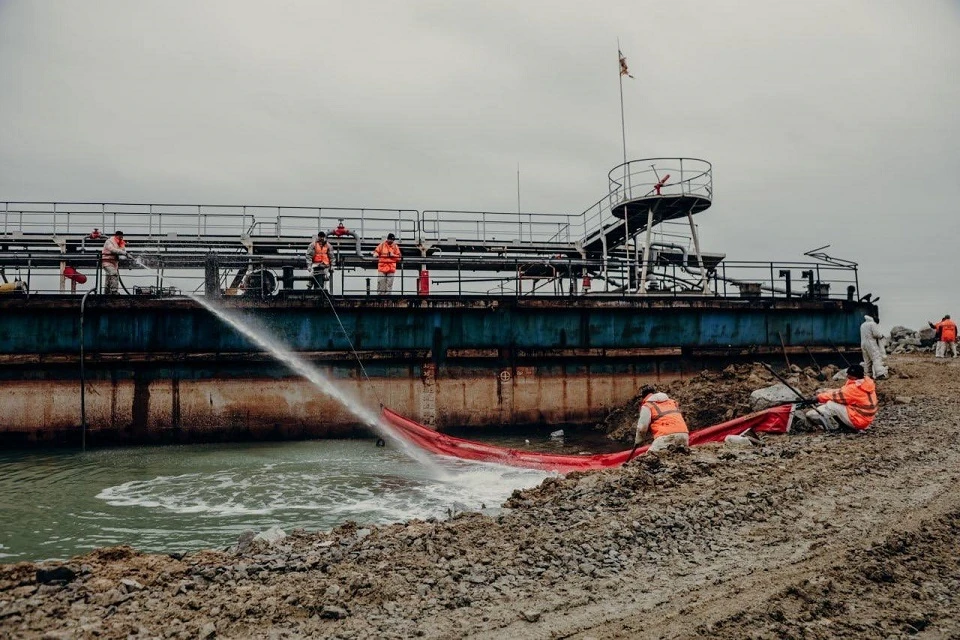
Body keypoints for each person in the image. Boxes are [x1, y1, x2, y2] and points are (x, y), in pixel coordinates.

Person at [802, 364, 877, 432]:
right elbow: (842, 392)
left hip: (858, 421)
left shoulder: (853, 389)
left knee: (831, 404)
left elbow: (835, 396)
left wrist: (818, 398)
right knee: (833, 402)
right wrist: (826, 391)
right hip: (865, 419)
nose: (847, 376)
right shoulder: (865, 383)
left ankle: (830, 427)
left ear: (854, 376)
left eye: (849, 375)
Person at [634, 385, 689, 453]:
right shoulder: (672, 402)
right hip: (684, 435)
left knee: (649, 457)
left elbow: (642, 427)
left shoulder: (647, 406)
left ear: (643, 397)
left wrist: (638, 441)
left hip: (666, 437)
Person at [859, 315, 888, 379]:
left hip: (863, 344)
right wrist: (881, 336)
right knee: (876, 358)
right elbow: (876, 334)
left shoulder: (863, 325)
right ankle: (880, 374)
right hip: (871, 343)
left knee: (867, 360)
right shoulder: (872, 324)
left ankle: (867, 375)